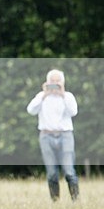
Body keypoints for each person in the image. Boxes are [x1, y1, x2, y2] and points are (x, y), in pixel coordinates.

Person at [26, 69, 80, 201]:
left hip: (65, 136)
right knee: (51, 173)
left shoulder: (68, 96)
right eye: (52, 81)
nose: (55, 83)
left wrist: (62, 94)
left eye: (57, 81)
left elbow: (73, 112)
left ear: (63, 82)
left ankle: (75, 199)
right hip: (46, 136)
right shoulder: (41, 96)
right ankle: (55, 200)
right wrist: (44, 94)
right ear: (47, 82)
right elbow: (31, 110)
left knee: (69, 171)